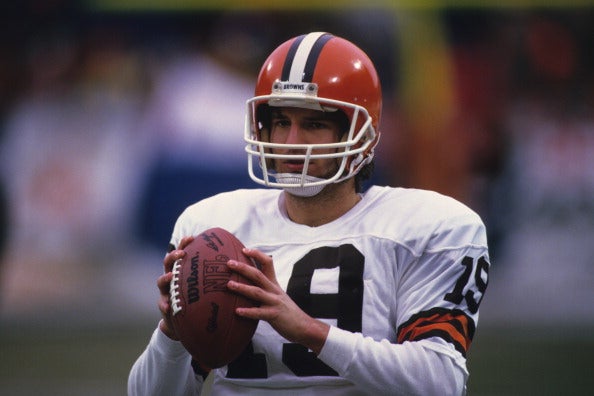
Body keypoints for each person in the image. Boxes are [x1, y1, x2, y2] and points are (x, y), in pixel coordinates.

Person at [128, 32, 490, 396]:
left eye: (313, 124)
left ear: (361, 134)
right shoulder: (215, 227)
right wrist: (174, 335)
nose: (290, 142)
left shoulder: (429, 227)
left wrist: (309, 331)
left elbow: (441, 384)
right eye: (282, 122)